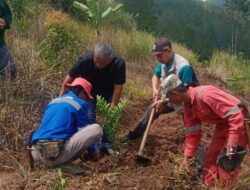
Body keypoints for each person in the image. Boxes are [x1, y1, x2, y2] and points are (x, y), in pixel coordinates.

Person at [156, 74, 248, 187]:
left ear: (174, 94)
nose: (169, 102)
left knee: (227, 163)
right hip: (223, 124)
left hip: (239, 122)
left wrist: (232, 141)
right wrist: (186, 158)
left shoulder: (206, 95)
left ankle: (225, 187)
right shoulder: (188, 106)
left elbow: (235, 114)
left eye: (169, 98)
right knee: (210, 159)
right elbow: (192, 134)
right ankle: (208, 186)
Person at [123, 37, 199, 141]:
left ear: (169, 51)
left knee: (189, 122)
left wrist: (163, 102)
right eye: (156, 56)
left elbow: (187, 95)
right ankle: (134, 135)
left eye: (159, 55)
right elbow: (155, 76)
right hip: (170, 96)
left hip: (187, 100)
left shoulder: (183, 67)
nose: (158, 58)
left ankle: (193, 147)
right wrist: (155, 89)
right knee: (152, 109)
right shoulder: (163, 63)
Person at [59, 43, 126, 154]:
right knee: (90, 118)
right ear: (94, 55)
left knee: (111, 117)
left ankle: (106, 144)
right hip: (90, 93)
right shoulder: (86, 60)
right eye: (96, 61)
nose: (98, 65)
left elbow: (118, 87)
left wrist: (113, 106)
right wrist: (60, 99)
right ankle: (93, 147)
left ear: (109, 60)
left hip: (109, 92)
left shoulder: (118, 63)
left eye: (102, 63)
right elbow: (69, 78)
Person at [31, 77, 103, 173]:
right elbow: (85, 134)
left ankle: (53, 164)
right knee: (96, 128)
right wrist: (94, 155)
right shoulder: (80, 104)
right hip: (56, 155)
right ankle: (60, 164)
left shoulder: (53, 102)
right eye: (86, 96)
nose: (86, 99)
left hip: (37, 153)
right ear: (82, 92)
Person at [0, 0, 16, 79]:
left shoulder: (2, 2)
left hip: (0, 43)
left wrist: (4, 21)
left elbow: (8, 16)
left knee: (11, 68)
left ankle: (6, 88)